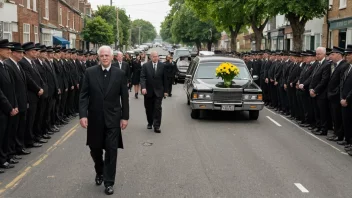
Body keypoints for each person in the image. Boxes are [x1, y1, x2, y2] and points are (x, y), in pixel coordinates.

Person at [79, 45, 129, 195]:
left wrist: (125, 117)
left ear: (112, 57)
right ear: (98, 57)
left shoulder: (120, 74)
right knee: (95, 149)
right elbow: (83, 95)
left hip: (113, 119)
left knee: (111, 150)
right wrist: (83, 115)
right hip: (95, 118)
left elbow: (124, 98)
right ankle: (99, 171)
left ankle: (109, 182)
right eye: (102, 56)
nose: (105, 58)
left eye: (107, 55)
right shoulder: (90, 72)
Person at [140, 51, 168, 133]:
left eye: (157, 56)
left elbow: (165, 79)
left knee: (157, 108)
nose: (156, 58)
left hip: (159, 91)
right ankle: (150, 122)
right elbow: (142, 77)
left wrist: (166, 91)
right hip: (148, 91)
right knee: (148, 108)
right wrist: (143, 87)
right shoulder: (146, 66)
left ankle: (157, 126)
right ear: (151, 57)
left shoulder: (162, 66)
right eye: (154, 56)